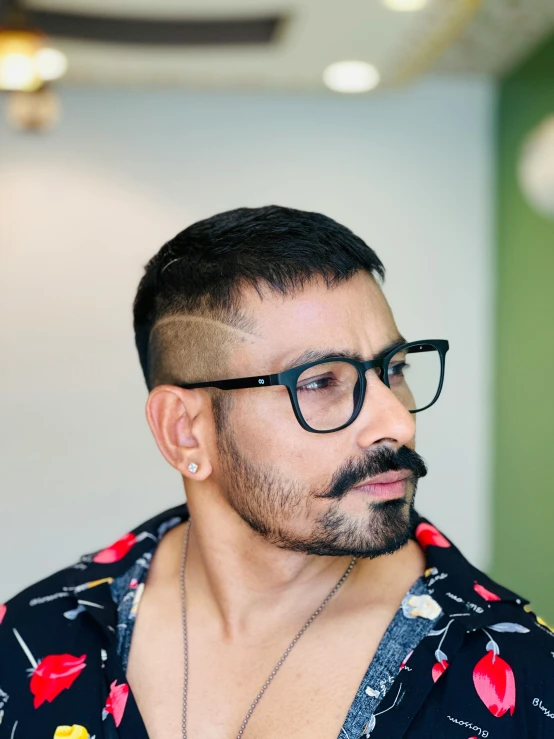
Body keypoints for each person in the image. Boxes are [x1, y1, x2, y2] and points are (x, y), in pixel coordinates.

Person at [0, 205, 552, 739]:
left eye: (395, 369)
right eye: (319, 381)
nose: (396, 422)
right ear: (185, 430)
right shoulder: (31, 643)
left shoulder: (518, 678)